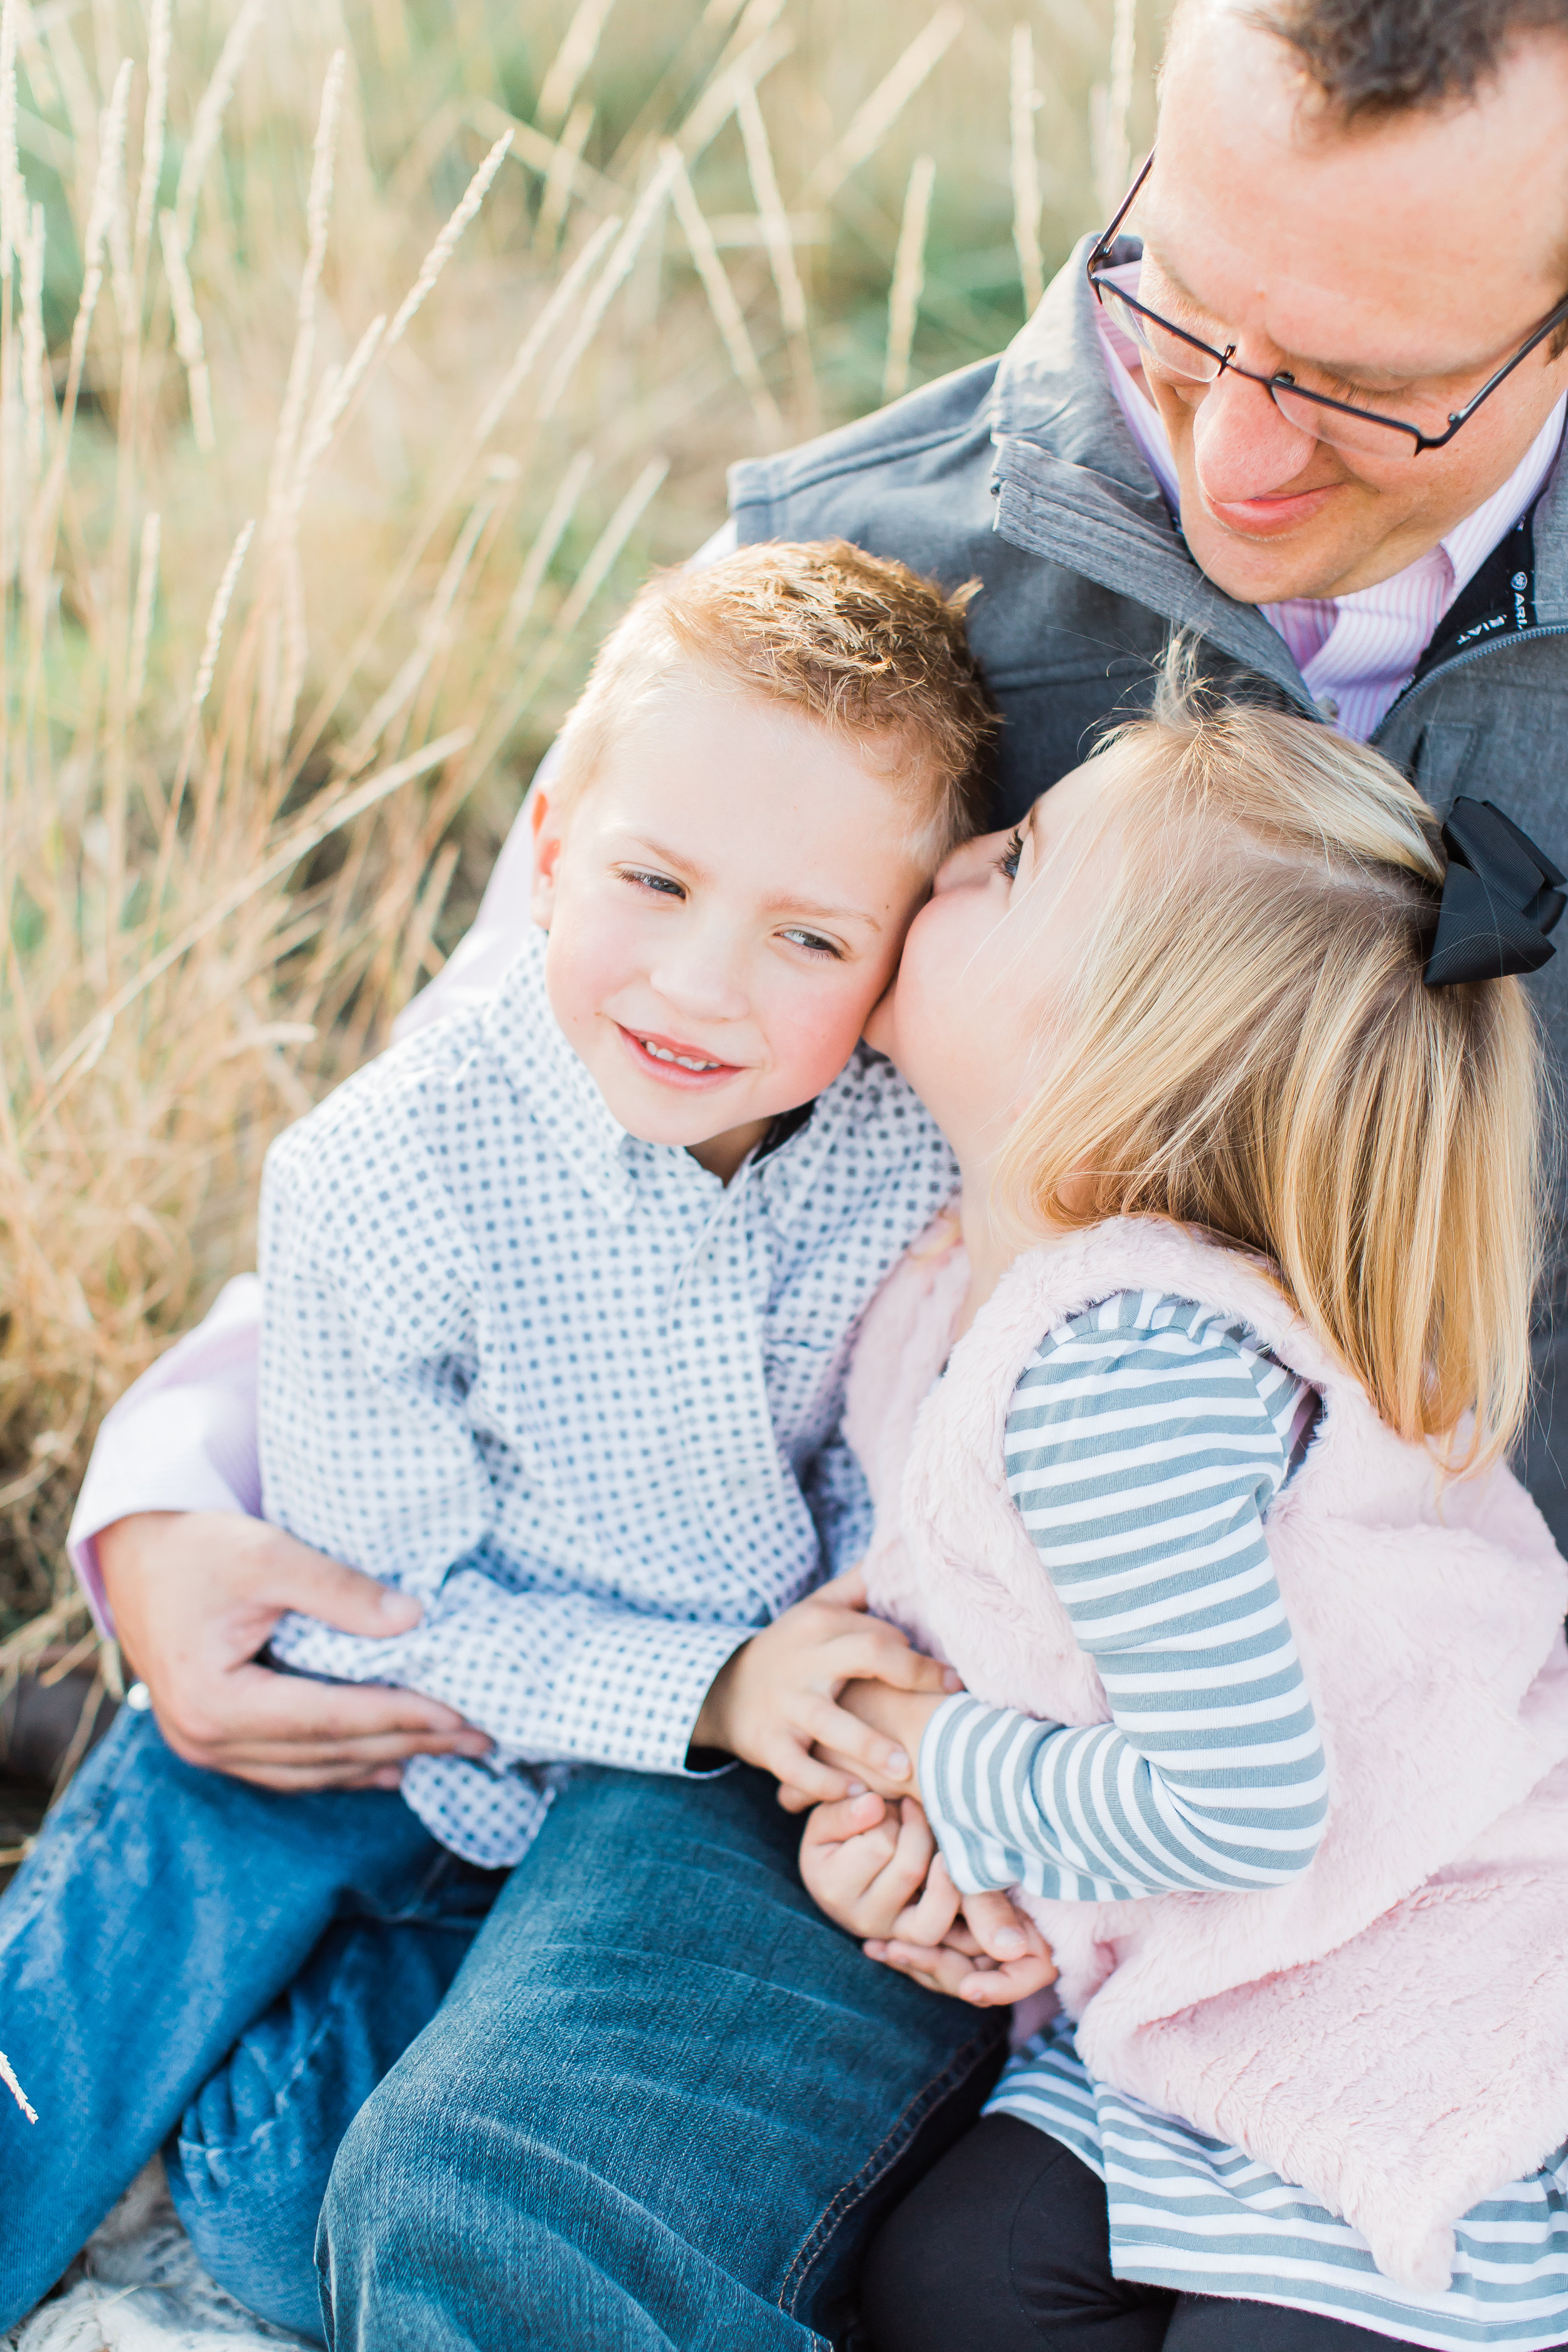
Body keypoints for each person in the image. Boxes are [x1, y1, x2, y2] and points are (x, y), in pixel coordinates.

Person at [45, 0, 1568, 2341]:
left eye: (1371, 387)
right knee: (487, 2203)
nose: (1234, 448)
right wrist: (178, 1476)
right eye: (1176, 306)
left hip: (1480, 1800)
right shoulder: (862, 568)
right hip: (875, 1680)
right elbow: (511, 1104)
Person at [0, 541, 1033, 2338]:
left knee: (308, 2199)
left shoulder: (909, 1158)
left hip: (691, 1794)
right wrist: (706, 1685)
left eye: (807, 937)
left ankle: (241, 2160)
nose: (700, 986)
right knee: (86, 1992)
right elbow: (366, 1612)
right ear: (549, 847)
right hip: (423, 1716)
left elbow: (896, 1482)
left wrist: (835, 1705)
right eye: (654, 880)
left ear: (895, 957)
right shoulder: (382, 1178)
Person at [798, 664, 1568, 2351]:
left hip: (1419, 1972)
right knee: (954, 2275)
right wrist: (907, 1825)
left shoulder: (1122, 1381)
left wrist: (927, 1760)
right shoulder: (979, 1293)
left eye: (1014, 861)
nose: (957, 855)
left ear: (1102, 1059)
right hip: (1225, 1978)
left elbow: (1234, 1809)